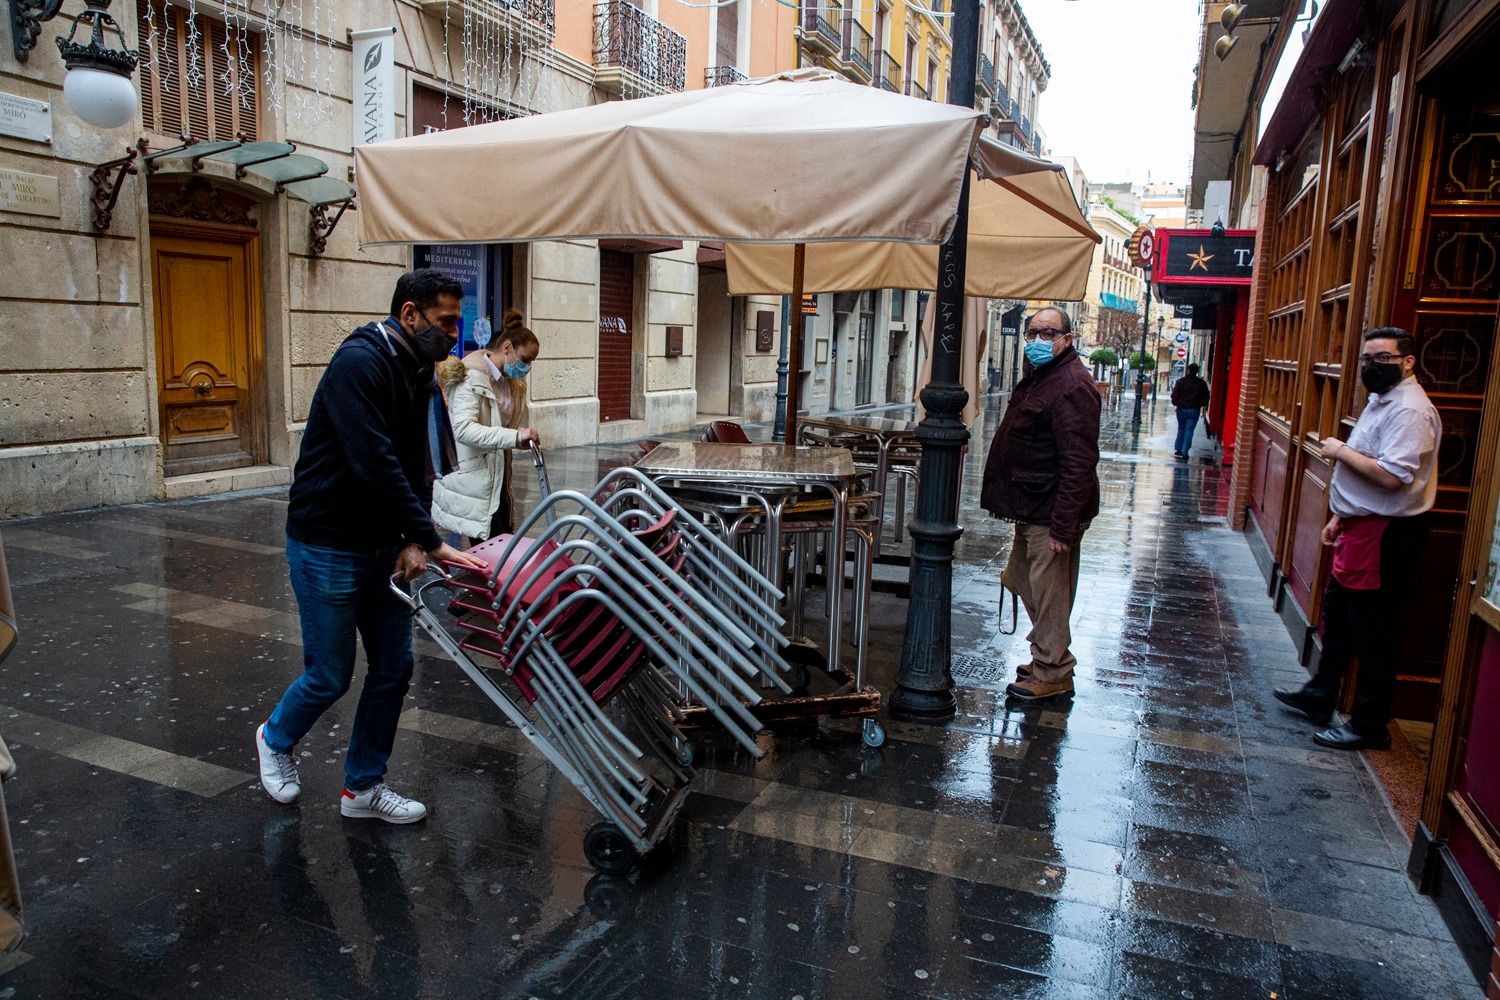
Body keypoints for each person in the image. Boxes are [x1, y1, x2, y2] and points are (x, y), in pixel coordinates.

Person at [256, 269, 489, 823]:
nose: (453, 334)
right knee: (330, 673)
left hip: (381, 545)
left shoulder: (415, 367)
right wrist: (432, 542)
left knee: (393, 668)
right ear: (409, 315)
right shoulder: (359, 364)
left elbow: (413, 465)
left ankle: (363, 787)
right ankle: (274, 737)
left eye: (457, 321)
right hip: (327, 542)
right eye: (445, 321)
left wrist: (411, 538)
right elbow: (375, 463)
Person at [1274, 327, 1441, 751]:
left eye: (1382, 358)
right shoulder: (1381, 401)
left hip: (1385, 533)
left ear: (1408, 362)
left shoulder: (1410, 411)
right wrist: (1340, 517)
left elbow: (1391, 476)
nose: (1371, 366)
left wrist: (1340, 451)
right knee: (1340, 615)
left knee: (1372, 630)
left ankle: (1370, 725)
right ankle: (1321, 693)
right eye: (1367, 358)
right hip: (1359, 526)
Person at [980, 307, 1102, 703]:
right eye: (1032, 333)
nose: (1036, 341)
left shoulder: (1071, 385)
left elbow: (1079, 461)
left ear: (1067, 338)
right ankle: (1049, 653)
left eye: (1047, 333)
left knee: (1049, 591)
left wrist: (1063, 527)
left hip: (1050, 511)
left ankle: (1053, 668)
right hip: (1031, 505)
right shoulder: (1044, 377)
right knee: (1019, 576)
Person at [433, 309, 542, 545]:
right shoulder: (469, 377)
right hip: (475, 481)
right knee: (489, 554)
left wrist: (521, 440)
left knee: (499, 547)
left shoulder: (511, 383)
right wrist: (514, 436)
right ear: (507, 348)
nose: (528, 367)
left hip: (499, 477)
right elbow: (462, 430)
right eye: (525, 359)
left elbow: (500, 428)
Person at [1170, 362, 1211, 459]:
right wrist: (1200, 405)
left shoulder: (1181, 382)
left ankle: (1178, 449)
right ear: (1197, 372)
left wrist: (1176, 403)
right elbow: (1206, 397)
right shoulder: (1201, 383)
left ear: (1188, 370)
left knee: (1181, 428)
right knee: (1189, 430)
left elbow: (1174, 395)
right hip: (1194, 409)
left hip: (1181, 409)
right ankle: (1185, 451)